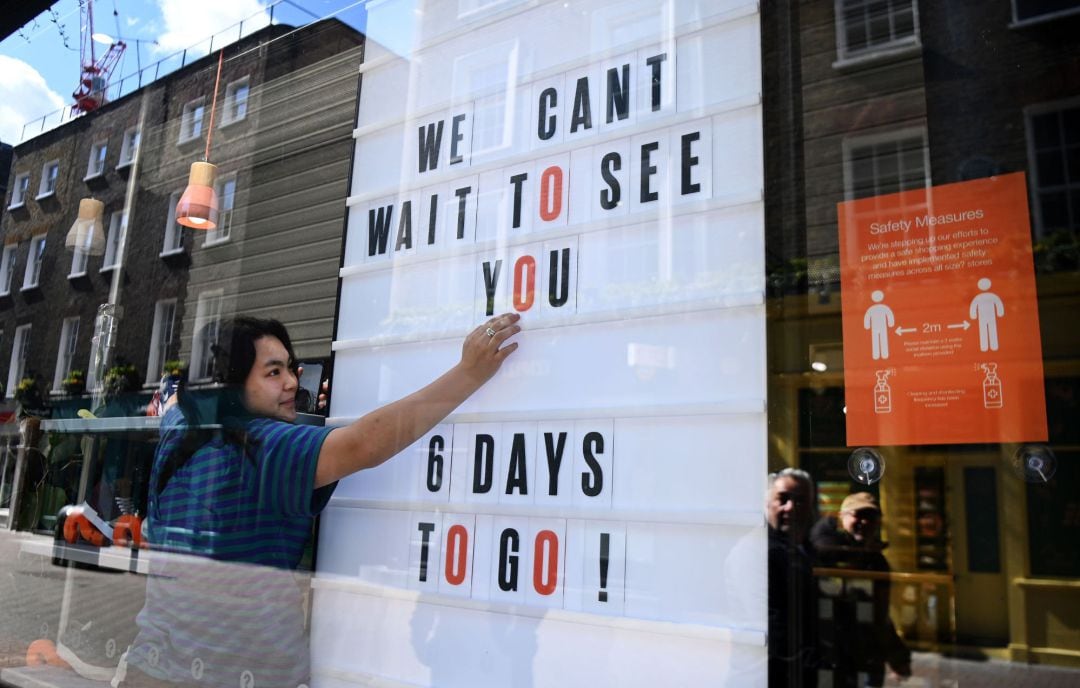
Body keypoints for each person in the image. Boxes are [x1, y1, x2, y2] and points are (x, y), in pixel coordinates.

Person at [114, 313, 521, 688]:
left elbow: (177, 403)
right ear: (232, 385)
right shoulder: (263, 450)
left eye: (291, 368)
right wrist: (468, 372)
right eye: (273, 372)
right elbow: (365, 444)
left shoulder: (181, 427)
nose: (292, 381)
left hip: (151, 665)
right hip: (232, 676)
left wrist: (298, 411)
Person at [810, 492, 911, 687]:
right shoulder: (824, 553)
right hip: (830, 654)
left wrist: (897, 656)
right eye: (858, 515)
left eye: (871, 517)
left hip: (866, 657)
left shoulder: (877, 563)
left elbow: (879, 616)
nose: (864, 522)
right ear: (842, 517)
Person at [767, 467, 818, 688]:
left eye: (800, 501)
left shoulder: (805, 550)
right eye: (783, 499)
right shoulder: (763, 552)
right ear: (768, 503)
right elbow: (774, 622)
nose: (790, 508)